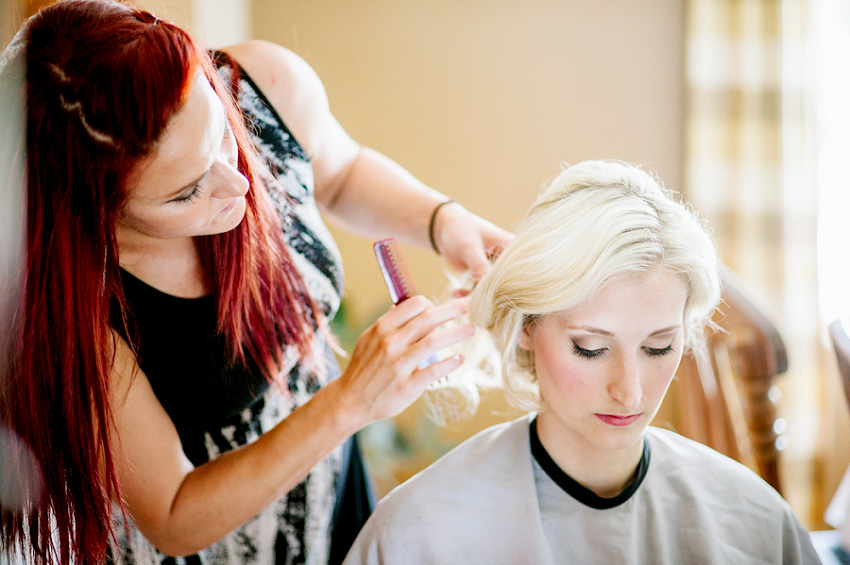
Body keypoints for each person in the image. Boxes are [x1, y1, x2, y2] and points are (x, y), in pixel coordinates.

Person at [0, 1, 511, 564]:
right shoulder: (67, 313)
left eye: (221, 131)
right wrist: (350, 402)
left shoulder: (265, 86)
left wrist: (444, 221)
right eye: (186, 192)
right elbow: (173, 513)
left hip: (332, 498)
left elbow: (339, 175)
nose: (238, 182)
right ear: (93, 212)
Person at [343, 160, 821, 564]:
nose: (630, 391)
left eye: (659, 347)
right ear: (527, 327)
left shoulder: (754, 522)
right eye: (591, 348)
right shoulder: (419, 536)